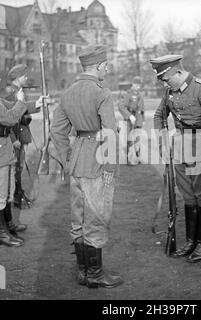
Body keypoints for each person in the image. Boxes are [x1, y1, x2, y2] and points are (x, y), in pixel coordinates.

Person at [50, 45, 123, 289]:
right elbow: (110, 133)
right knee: (96, 216)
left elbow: (57, 131)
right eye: (106, 65)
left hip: (77, 158)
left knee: (78, 217)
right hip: (98, 160)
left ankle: (83, 272)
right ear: (100, 66)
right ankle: (95, 274)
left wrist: (66, 158)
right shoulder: (102, 92)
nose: (108, 68)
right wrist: (111, 169)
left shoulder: (68, 92)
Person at [151, 54, 201, 263]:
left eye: (165, 78)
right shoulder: (170, 92)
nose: (164, 83)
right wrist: (162, 140)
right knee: (188, 196)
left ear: (177, 71)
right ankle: (190, 241)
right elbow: (159, 116)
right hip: (181, 147)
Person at [0, 88, 41, 246]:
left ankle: (8, 226)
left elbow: (9, 105)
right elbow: (9, 118)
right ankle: (2, 233)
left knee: (8, 192)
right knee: (1, 195)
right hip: (1, 151)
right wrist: (21, 101)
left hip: (4, 150)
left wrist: (35, 104)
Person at [4, 64, 43, 209]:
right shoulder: (10, 93)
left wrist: (37, 104)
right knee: (14, 169)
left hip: (20, 136)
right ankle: (14, 197)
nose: (26, 78)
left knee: (18, 168)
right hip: (15, 137)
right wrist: (13, 139)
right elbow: (8, 118)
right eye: (24, 75)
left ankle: (17, 195)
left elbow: (23, 108)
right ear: (17, 77)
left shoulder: (18, 91)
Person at [118, 76, 145, 165]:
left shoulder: (140, 95)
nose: (138, 87)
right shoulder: (127, 94)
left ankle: (138, 158)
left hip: (138, 119)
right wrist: (129, 116)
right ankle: (128, 159)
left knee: (137, 139)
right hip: (130, 119)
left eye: (139, 85)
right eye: (137, 84)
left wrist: (142, 119)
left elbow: (142, 108)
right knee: (129, 139)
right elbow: (121, 106)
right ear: (133, 84)